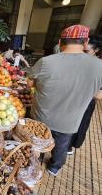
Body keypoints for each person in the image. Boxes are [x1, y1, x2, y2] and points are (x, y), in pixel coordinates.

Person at [27, 25, 102, 176]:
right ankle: (54, 167)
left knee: (37, 142)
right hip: (70, 121)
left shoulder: (46, 61)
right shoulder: (99, 66)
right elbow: (99, 95)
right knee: (61, 145)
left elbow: (30, 83)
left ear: (60, 42)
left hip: (42, 117)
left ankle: (34, 162)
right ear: (86, 42)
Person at [67, 35, 102, 155]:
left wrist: (81, 88)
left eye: (86, 51)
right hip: (70, 98)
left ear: (96, 50)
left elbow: (99, 95)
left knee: (79, 125)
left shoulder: (99, 67)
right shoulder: (76, 61)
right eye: (82, 50)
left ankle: (69, 146)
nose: (83, 54)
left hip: (86, 102)